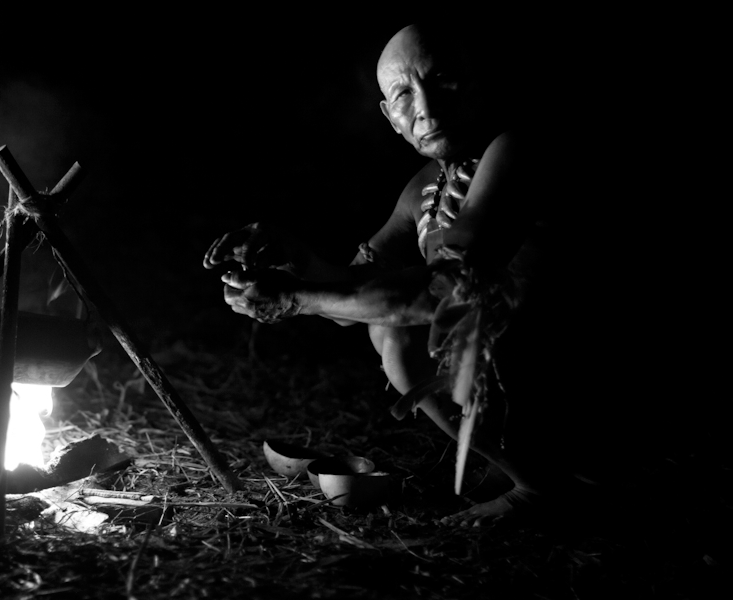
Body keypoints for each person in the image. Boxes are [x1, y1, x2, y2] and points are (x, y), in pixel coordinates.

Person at [203, 23, 590, 526]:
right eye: (404, 93)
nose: (426, 107)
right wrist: (293, 262)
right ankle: (513, 464)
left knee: (400, 336)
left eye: (443, 79)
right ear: (391, 118)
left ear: (478, 81)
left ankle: (540, 484)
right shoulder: (424, 187)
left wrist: (298, 298)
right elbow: (356, 292)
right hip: (508, 358)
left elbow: (443, 293)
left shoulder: (514, 150)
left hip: (571, 357)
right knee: (384, 323)